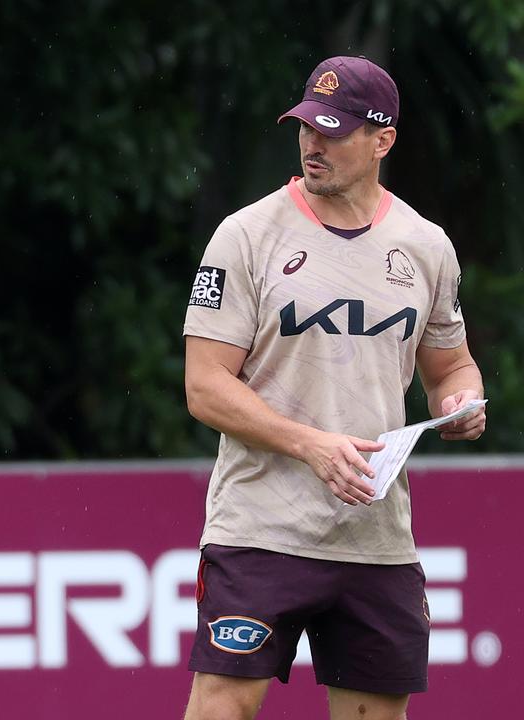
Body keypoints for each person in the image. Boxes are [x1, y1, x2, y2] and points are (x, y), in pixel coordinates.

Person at [181, 56, 487, 720]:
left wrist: (459, 403)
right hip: (261, 528)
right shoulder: (247, 235)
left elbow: (452, 368)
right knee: (220, 708)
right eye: (306, 127)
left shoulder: (427, 248)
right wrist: (312, 446)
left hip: (376, 538)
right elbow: (204, 388)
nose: (313, 144)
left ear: (383, 140)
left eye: (335, 131)